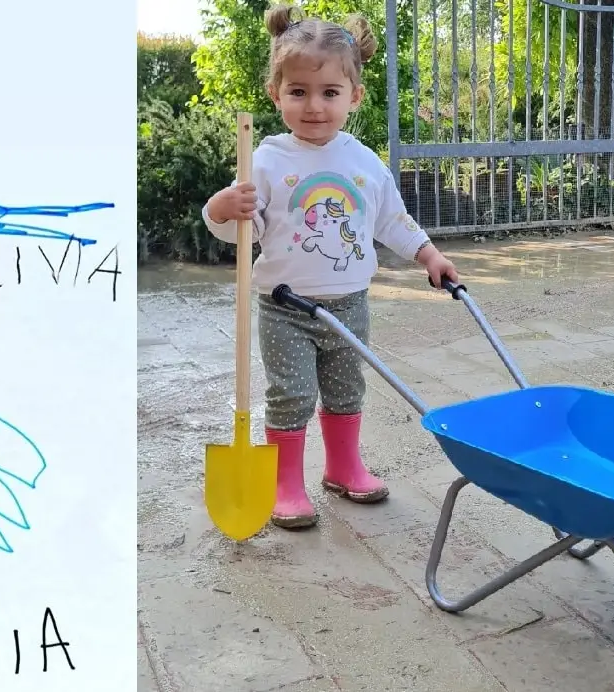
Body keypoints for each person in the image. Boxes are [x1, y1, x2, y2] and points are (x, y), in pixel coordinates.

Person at [201, 4, 459, 529]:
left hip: (349, 303)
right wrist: (224, 208)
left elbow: (392, 219)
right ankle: (285, 484)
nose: (314, 105)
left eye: (329, 93)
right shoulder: (267, 160)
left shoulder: (364, 162)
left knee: (346, 390)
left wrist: (428, 254)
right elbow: (238, 230)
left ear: (354, 96)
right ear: (277, 95)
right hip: (285, 308)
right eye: (298, 92)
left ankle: (343, 467)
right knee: (291, 393)